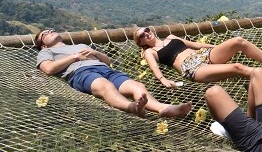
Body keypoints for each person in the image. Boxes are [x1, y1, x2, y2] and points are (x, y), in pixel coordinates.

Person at [35, 29, 192, 118]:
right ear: (42, 45)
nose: (50, 31)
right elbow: (48, 69)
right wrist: (75, 57)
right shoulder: (46, 52)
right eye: (45, 34)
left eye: (51, 30)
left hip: (105, 69)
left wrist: (94, 52)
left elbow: (108, 61)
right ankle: (132, 107)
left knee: (137, 86)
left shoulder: (80, 44)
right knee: (105, 85)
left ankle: (163, 108)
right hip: (81, 73)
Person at [134, 27, 262, 87]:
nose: (146, 34)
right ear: (141, 42)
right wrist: (163, 80)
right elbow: (155, 69)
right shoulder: (150, 52)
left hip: (204, 55)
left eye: (146, 30)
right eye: (142, 35)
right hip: (194, 69)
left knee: (238, 41)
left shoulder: (171, 37)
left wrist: (220, 48)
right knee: (237, 67)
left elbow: (197, 45)